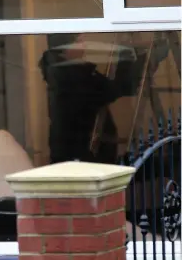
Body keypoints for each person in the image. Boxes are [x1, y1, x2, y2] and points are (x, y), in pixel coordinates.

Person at [38, 33, 169, 165]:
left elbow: (111, 88)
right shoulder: (71, 76)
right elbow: (115, 89)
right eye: (77, 41)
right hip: (81, 152)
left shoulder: (65, 72)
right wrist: (145, 59)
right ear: (64, 51)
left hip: (75, 150)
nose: (84, 44)